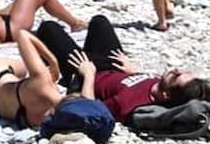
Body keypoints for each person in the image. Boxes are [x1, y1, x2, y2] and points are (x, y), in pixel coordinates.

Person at [34, 14, 210, 123]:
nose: (175, 69)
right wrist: (136, 71)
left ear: (166, 96)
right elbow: (140, 81)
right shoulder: (160, 85)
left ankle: (52, 73)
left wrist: (88, 75)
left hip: (85, 74)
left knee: (49, 28)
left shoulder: (128, 103)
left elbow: (92, 110)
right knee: (99, 22)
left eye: (175, 76)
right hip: (115, 67)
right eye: (181, 71)